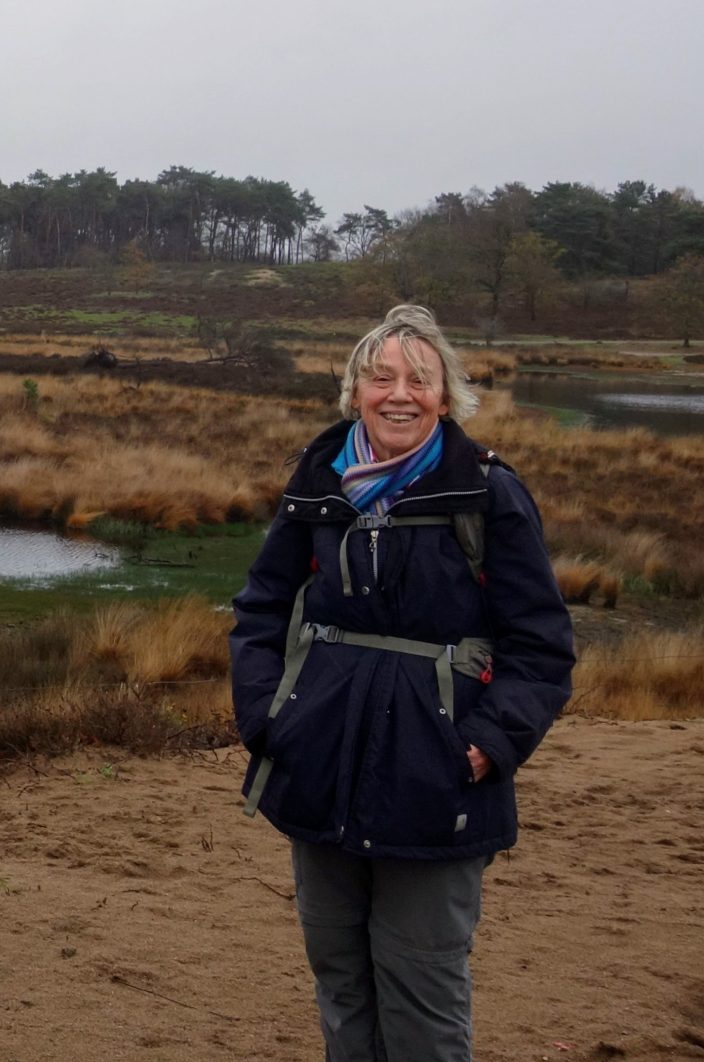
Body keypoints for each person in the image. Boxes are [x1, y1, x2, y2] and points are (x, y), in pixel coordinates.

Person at [231, 303, 574, 1061]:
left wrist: (487, 744)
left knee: (422, 993)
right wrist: (266, 719)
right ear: (355, 391)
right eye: (381, 377)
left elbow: (542, 646)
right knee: (341, 981)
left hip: (435, 783)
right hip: (318, 768)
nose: (399, 395)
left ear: (445, 397)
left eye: (420, 380)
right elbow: (260, 608)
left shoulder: (488, 494)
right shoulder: (317, 483)